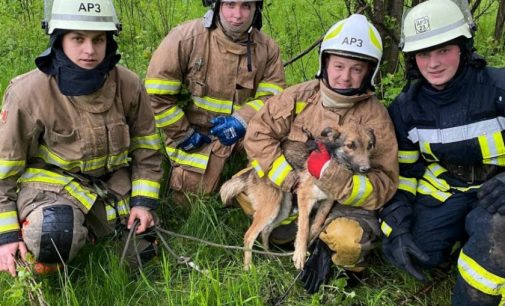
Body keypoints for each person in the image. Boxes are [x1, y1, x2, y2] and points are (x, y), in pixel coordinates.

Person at [0, 0, 162, 276]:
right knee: (53, 234)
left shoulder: (129, 84)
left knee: (141, 257)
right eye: (78, 38)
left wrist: (143, 203)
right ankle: (46, 246)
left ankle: (94, 234)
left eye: (98, 39)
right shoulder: (28, 94)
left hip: (111, 189)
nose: (90, 50)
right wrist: (6, 235)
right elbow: (4, 169)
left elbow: (147, 149)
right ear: (58, 39)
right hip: (52, 191)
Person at [240, 14, 399, 293]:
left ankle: (343, 265)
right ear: (325, 63)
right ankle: (288, 234)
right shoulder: (302, 96)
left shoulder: (375, 117)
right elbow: (258, 132)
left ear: (369, 73)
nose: (345, 76)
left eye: (356, 69)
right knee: (245, 185)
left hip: (346, 203)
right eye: (338, 65)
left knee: (347, 240)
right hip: (298, 185)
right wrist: (288, 179)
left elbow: (385, 183)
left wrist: (335, 180)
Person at [380, 0, 505, 304]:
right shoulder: (407, 107)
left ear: (464, 47)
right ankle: (462, 236)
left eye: (443, 50)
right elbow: (403, 173)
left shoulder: (498, 87)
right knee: (416, 254)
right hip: (446, 190)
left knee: (494, 243)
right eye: (423, 53)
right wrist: (396, 224)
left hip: (497, 191)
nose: (433, 63)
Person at [144, 0, 285, 204]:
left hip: (243, 134)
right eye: (230, 4)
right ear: (217, 5)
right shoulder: (185, 38)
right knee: (189, 198)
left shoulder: (268, 49)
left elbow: (274, 97)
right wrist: (184, 134)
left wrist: (242, 120)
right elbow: (156, 95)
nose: (237, 15)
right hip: (193, 134)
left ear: (256, 9)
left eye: (246, 6)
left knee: (277, 161)